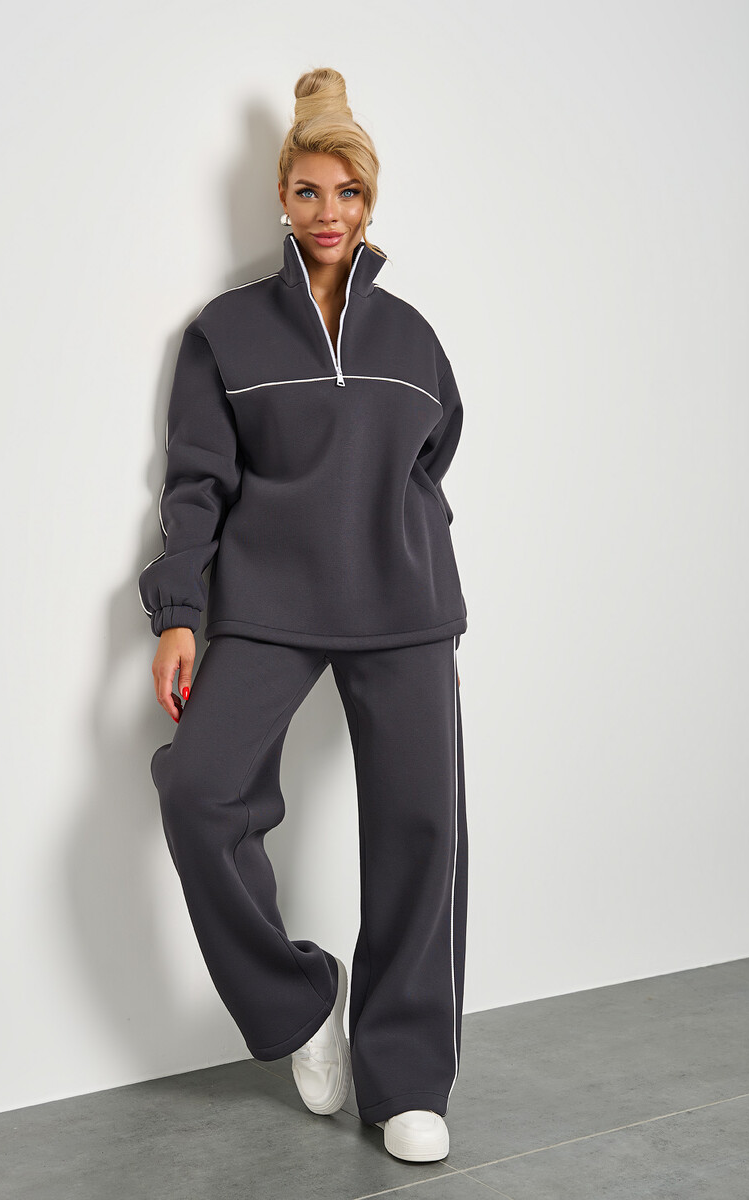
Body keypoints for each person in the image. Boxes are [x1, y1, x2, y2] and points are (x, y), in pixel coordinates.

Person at [138, 66, 468, 1164]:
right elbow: (195, 483)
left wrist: (400, 542)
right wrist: (180, 610)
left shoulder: (414, 340)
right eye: (311, 191)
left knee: (421, 833)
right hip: (267, 605)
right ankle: (296, 1006)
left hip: (404, 604)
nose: (331, 213)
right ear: (282, 196)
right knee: (198, 792)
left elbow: (433, 460)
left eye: (350, 193)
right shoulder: (225, 333)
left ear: (372, 202)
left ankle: (407, 1078)